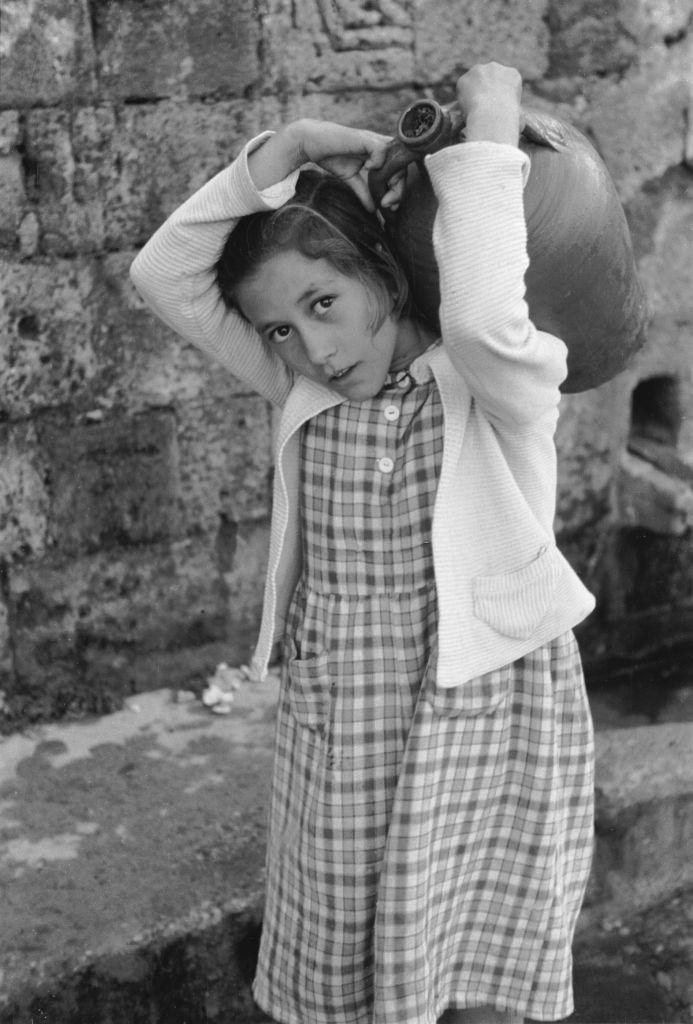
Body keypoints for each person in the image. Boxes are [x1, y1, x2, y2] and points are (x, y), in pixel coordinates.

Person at [130, 61, 596, 1024]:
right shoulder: (302, 389)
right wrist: (289, 149)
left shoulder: (497, 384)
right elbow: (160, 274)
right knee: (340, 962)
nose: (313, 347)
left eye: (323, 304)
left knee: (474, 961)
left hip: (483, 707)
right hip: (343, 717)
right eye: (278, 329)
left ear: (381, 276)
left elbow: (479, 310)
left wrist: (492, 116)